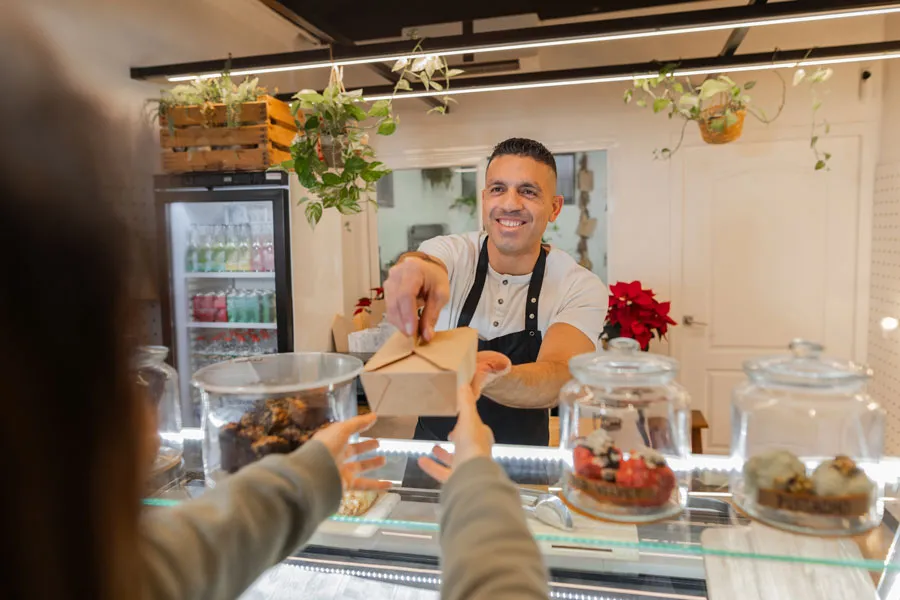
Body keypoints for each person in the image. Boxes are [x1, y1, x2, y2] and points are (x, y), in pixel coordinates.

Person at [1, 7, 548, 600]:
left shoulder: (573, 281)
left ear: (553, 207)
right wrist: (477, 484)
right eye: (118, 355)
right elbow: (429, 257)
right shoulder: (460, 249)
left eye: (527, 191)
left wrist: (309, 474)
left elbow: (187, 555)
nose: (145, 415)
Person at [384, 138, 608, 445]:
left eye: (528, 191)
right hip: (433, 451)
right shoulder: (454, 253)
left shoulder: (578, 285)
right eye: (498, 189)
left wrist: (485, 374)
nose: (510, 203)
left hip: (520, 465)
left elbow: (559, 376)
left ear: (555, 207)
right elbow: (424, 263)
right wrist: (411, 272)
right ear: (484, 199)